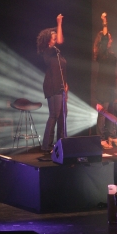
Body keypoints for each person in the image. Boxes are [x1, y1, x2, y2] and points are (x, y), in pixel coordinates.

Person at [93, 12, 117, 149]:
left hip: (111, 85)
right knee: (103, 112)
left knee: (111, 111)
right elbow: (105, 37)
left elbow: (112, 70)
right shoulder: (101, 53)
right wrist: (104, 21)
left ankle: (112, 137)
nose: (110, 39)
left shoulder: (110, 54)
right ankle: (100, 138)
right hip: (102, 86)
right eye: (108, 38)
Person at [37, 14, 68, 153]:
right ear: (48, 39)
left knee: (63, 115)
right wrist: (59, 23)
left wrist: (65, 84)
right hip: (51, 86)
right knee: (54, 115)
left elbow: (61, 70)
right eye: (53, 36)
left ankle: (61, 143)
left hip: (61, 86)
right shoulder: (47, 51)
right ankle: (46, 145)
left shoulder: (57, 52)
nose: (55, 37)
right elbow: (60, 40)